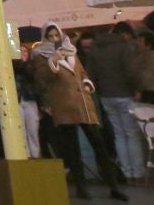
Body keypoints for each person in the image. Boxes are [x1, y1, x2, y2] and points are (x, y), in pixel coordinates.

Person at [30, 24, 127, 202]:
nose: (54, 39)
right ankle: (82, 187)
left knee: (99, 144)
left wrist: (87, 82)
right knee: (72, 148)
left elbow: (81, 72)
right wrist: (53, 61)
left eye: (56, 35)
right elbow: (44, 77)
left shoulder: (71, 50)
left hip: (83, 104)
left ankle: (113, 186)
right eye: (50, 36)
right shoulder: (40, 55)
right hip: (64, 105)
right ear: (45, 37)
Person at [83, 24, 144, 184]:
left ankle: (126, 173)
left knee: (118, 135)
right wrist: (136, 88)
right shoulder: (122, 47)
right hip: (124, 93)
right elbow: (131, 71)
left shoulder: (94, 50)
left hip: (106, 96)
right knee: (131, 133)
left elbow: (91, 76)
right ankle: (138, 173)